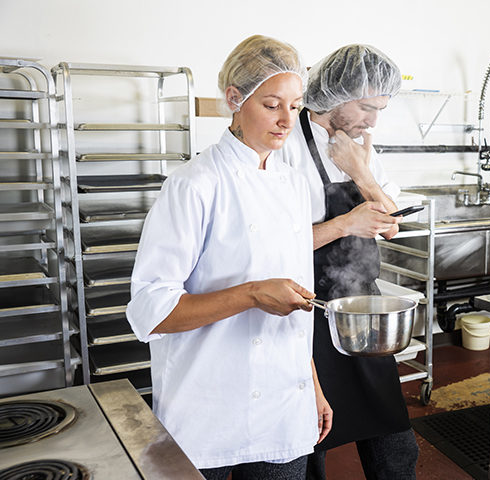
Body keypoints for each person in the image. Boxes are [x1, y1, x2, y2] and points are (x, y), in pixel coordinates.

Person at [126, 35, 332, 480]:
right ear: (235, 99)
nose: (285, 121)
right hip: (206, 406)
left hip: (283, 402)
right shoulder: (194, 185)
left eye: (295, 107)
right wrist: (254, 294)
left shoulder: (294, 186)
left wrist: (311, 388)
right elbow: (152, 310)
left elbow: (298, 302)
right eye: (272, 104)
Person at [280, 44, 418, 480]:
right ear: (335, 96)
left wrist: (361, 172)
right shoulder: (285, 147)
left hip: (360, 309)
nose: (373, 121)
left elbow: (391, 224)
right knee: (310, 439)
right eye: (366, 107)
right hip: (302, 310)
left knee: (394, 439)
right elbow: (269, 253)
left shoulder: (361, 147)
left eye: (380, 109)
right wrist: (344, 224)